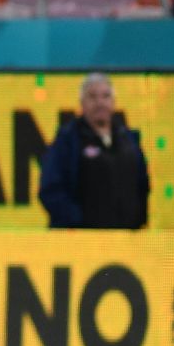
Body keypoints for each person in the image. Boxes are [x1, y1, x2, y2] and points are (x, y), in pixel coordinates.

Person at [39, 73, 149, 229]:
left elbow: (142, 185)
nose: (100, 103)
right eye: (92, 97)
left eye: (105, 96)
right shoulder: (68, 140)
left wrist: (139, 220)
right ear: (82, 103)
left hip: (126, 241)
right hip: (83, 243)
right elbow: (50, 190)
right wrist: (76, 222)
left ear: (113, 102)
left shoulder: (128, 138)